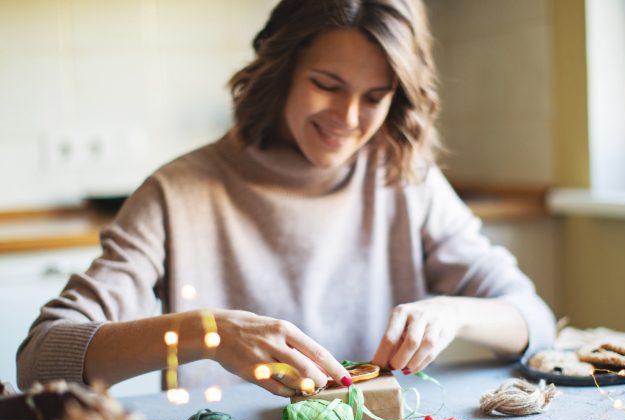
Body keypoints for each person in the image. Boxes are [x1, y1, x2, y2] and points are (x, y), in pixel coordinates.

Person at [17, 0, 556, 397]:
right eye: (327, 83)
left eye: (373, 97)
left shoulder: (404, 178)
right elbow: (40, 359)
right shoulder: (176, 193)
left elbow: (535, 320)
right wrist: (208, 333)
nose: (347, 120)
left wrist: (453, 313)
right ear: (280, 73)